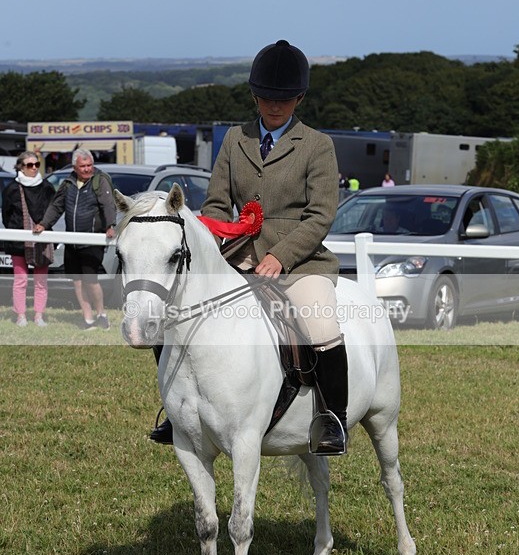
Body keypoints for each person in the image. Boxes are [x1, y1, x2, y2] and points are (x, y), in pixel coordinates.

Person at [151, 40, 348, 455]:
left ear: (299, 98)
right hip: (238, 256)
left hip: (299, 263)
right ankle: (178, 412)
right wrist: (219, 234)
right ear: (254, 95)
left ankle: (333, 419)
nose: (273, 107)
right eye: (265, 98)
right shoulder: (234, 140)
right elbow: (218, 203)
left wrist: (281, 256)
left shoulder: (317, 145)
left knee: (321, 324)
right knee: (173, 314)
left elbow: (320, 215)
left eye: (283, 99)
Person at [34, 148, 116, 330]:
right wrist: (44, 224)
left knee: (90, 279)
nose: (87, 169)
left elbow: (108, 205)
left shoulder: (100, 181)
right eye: (83, 166)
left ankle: (101, 314)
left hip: (91, 240)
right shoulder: (68, 183)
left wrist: (110, 226)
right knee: (77, 280)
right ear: (74, 167)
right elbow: (56, 206)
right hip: (72, 241)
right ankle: (87, 318)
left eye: (90, 165)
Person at [1, 152, 56, 327]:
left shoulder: (46, 187)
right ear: (20, 167)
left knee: (41, 281)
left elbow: (53, 211)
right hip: (18, 241)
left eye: (36, 164)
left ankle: (39, 315)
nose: (33, 168)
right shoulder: (11, 189)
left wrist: (44, 225)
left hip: (42, 239)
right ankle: (21, 315)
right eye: (29, 165)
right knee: (21, 280)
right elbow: (6, 215)